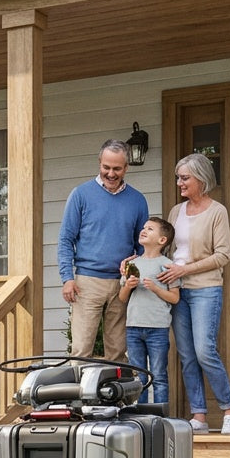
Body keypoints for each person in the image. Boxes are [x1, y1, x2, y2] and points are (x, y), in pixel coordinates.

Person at [157, 153, 230, 435]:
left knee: (205, 351)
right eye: (178, 177)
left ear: (201, 179)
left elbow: (223, 255)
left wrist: (185, 270)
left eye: (185, 178)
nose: (179, 183)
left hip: (205, 288)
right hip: (177, 291)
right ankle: (199, 416)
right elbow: (165, 250)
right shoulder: (175, 212)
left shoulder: (217, 211)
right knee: (187, 354)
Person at [57, 139, 151, 360]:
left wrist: (135, 264)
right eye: (106, 167)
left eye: (117, 168)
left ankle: (116, 395)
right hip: (87, 283)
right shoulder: (81, 194)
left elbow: (142, 244)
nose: (111, 173)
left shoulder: (137, 200)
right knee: (81, 350)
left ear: (126, 167)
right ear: (99, 163)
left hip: (122, 283)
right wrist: (67, 278)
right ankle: (80, 395)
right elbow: (65, 240)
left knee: (118, 351)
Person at [119, 216, 179, 404]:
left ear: (162, 240)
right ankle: (142, 416)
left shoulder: (167, 265)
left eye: (150, 229)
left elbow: (175, 297)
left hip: (158, 329)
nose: (143, 230)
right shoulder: (132, 264)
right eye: (144, 228)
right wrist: (128, 286)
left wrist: (155, 288)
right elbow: (122, 298)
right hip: (134, 327)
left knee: (159, 375)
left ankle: (160, 418)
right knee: (140, 378)